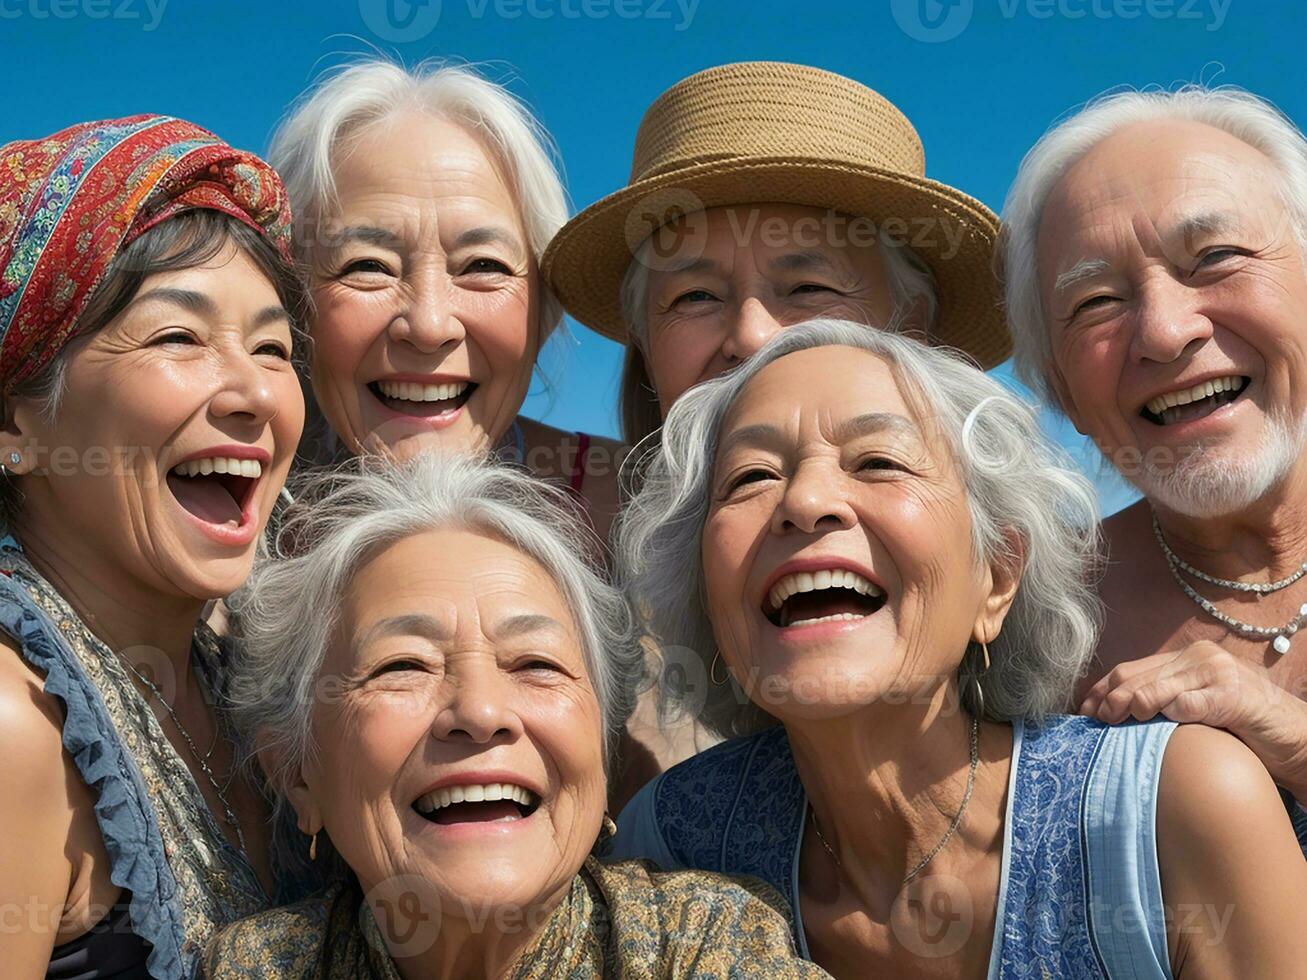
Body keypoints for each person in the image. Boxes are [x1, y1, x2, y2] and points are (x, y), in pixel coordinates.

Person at [609, 318, 1307, 976]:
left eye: (878, 460)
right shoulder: (674, 842)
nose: (807, 500)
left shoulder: (1171, 811)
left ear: (996, 579)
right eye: (751, 477)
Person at [202, 454, 824, 979]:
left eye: (536, 664)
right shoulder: (259, 965)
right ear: (298, 775)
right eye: (403, 666)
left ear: (601, 755)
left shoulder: (703, 946)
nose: (480, 711)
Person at [0, 115, 306, 977]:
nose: (252, 390)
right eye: (178, 336)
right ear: (13, 422)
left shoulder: (243, 701)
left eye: (275, 348)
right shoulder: (12, 730)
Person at [1001, 86, 1307, 815]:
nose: (1165, 332)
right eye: (1095, 303)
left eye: (1214, 257)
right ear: (1062, 392)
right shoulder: (1029, 627)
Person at [542, 60, 1007, 449]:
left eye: (809, 288)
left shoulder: (1007, 551)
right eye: (695, 297)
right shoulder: (569, 551)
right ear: (645, 339)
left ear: (912, 326)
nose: (751, 337)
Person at [268, 58, 623, 540]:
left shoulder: (639, 524)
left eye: (483, 266)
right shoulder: (226, 527)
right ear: (294, 307)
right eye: (368, 266)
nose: (430, 325)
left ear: (543, 307)